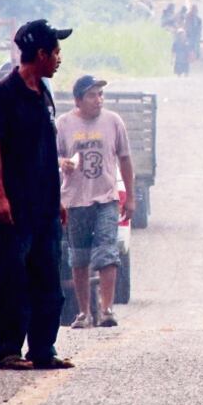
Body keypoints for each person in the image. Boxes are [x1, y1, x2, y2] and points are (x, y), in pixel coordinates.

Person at [0, 19, 74, 370]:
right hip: (15, 204)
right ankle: (8, 350)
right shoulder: (2, 94)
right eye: (56, 52)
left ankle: (42, 349)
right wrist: (0, 196)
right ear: (40, 54)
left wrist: (57, 198)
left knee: (48, 278)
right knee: (13, 277)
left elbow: (46, 150)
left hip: (44, 204)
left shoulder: (44, 92)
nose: (59, 58)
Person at [57, 75, 136, 329]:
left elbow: (125, 159)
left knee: (107, 252)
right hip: (75, 201)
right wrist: (62, 163)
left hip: (106, 199)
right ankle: (83, 312)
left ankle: (106, 310)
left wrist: (131, 197)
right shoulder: (64, 124)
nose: (98, 100)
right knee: (79, 257)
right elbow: (52, 156)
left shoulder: (113, 122)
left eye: (100, 95)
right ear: (78, 100)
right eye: (92, 95)